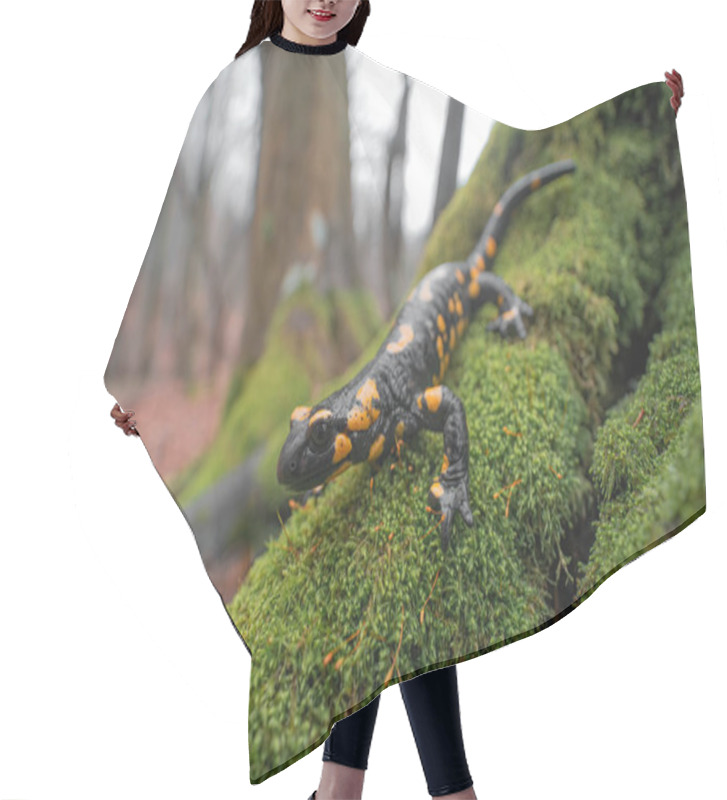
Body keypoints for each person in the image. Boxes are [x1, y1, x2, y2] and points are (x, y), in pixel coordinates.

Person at [112, 2, 477, 798]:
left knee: (396, 563)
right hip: (320, 347)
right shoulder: (236, 86)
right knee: (372, 554)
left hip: (378, 336)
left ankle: (350, 789)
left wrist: (648, 118)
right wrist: (134, 382)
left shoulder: (372, 80)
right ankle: (396, 789)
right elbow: (188, 220)